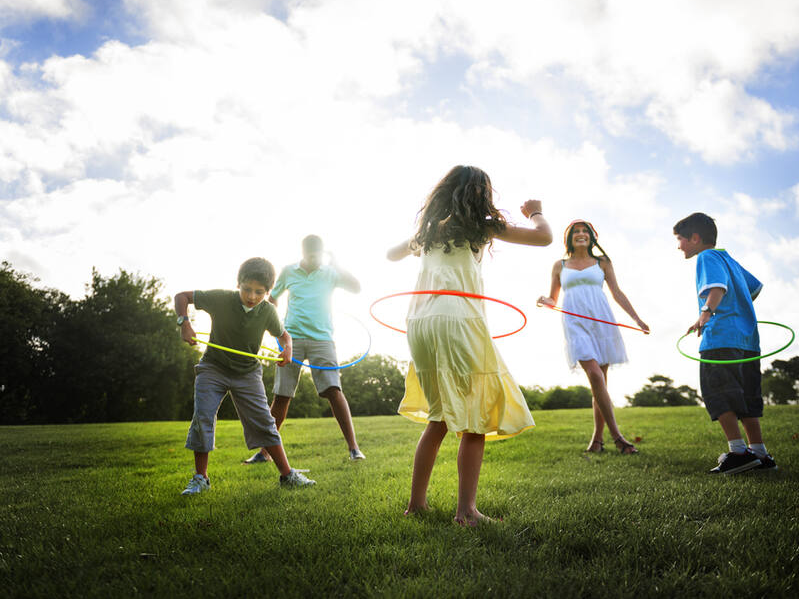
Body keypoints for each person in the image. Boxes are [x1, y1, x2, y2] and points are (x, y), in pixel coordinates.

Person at [387, 165, 552, 526]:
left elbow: (390, 254)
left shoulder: (428, 231)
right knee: (474, 417)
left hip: (420, 322)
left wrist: (422, 243)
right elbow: (544, 238)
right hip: (457, 318)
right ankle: (467, 513)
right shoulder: (482, 224)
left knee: (439, 416)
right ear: (480, 194)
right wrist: (536, 211)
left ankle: (417, 505)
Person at [174, 257, 315, 495]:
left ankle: (288, 475)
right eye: (247, 289)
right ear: (238, 283)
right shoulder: (221, 298)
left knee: (265, 422)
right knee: (203, 417)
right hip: (213, 367)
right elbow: (182, 297)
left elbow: (284, 336)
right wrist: (184, 322)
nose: (252, 296)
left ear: (268, 292)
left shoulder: (267, 311)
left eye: (259, 292)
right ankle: (201, 478)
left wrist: (287, 349)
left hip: (248, 373)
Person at [244, 235, 365, 464]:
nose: (315, 260)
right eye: (311, 256)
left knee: (334, 390)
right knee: (282, 395)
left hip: (323, 339)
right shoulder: (289, 271)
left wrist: (337, 264)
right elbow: (273, 297)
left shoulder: (330, 272)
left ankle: (354, 448)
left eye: (319, 256)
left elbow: (357, 288)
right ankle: (264, 452)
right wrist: (274, 324)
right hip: (292, 339)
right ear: (303, 253)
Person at [674, 212, 777, 474]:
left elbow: (716, 288)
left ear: (695, 238)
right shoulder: (729, 259)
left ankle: (738, 452)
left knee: (719, 393)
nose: (679, 246)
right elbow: (753, 289)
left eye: (680, 240)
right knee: (747, 397)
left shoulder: (706, 257)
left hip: (720, 338)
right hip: (748, 340)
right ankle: (760, 454)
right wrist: (737, 312)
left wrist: (705, 314)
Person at [538, 220, 649, 455]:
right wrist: (543, 301)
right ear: (569, 238)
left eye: (584, 232)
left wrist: (636, 319)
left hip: (602, 322)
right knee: (595, 375)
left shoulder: (603, 263)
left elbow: (617, 292)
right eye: (576, 232)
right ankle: (618, 438)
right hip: (575, 324)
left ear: (591, 237)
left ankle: (597, 441)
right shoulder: (560, 265)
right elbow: (553, 300)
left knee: (600, 384)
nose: (580, 234)